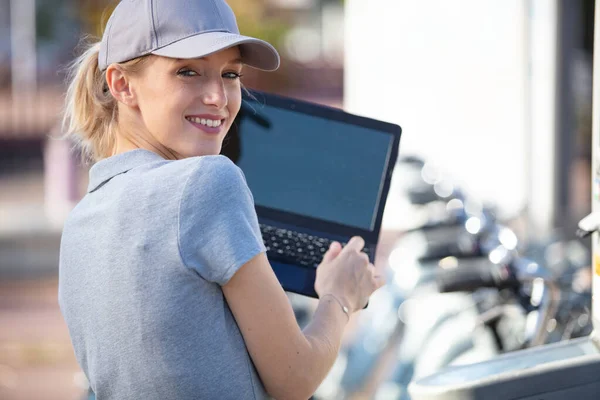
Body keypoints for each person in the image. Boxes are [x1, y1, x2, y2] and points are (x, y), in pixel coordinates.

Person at [58, 1, 384, 399]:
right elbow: (295, 378)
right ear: (122, 84)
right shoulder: (209, 181)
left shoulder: (80, 222)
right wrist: (339, 296)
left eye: (230, 74)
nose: (218, 96)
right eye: (188, 71)